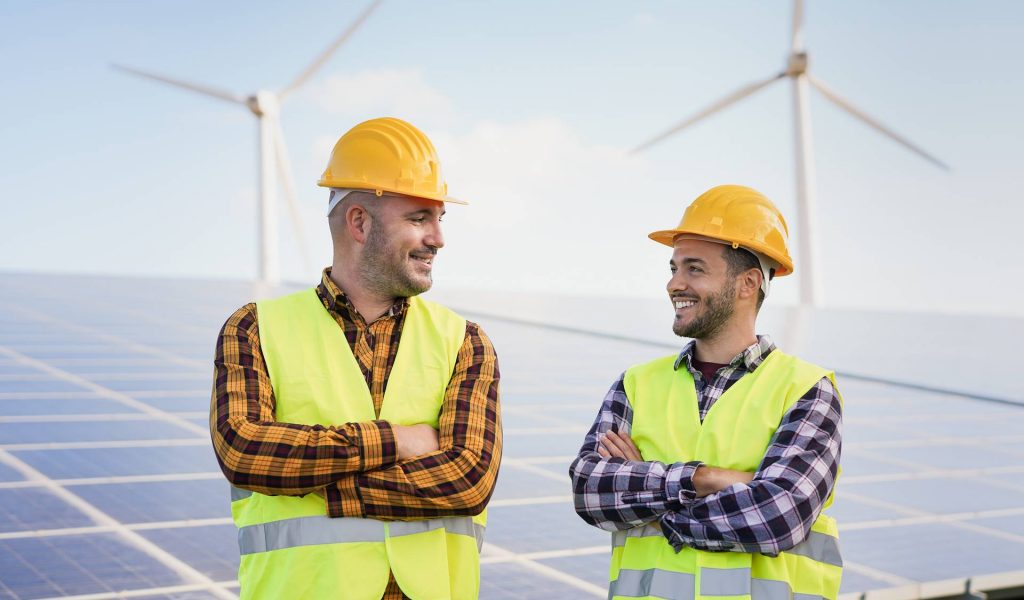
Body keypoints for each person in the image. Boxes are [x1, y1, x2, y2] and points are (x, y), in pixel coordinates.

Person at [210, 117, 501, 600]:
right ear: (359, 222)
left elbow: (467, 479)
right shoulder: (254, 328)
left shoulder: (465, 341)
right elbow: (247, 451)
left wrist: (325, 490)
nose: (438, 238)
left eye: (439, 219)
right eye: (418, 218)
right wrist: (399, 441)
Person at [569, 184, 843, 599]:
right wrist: (705, 479)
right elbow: (590, 490)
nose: (674, 284)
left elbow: (778, 515)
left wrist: (653, 504)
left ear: (748, 283)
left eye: (694, 269)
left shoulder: (806, 391)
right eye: (673, 268)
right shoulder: (635, 384)